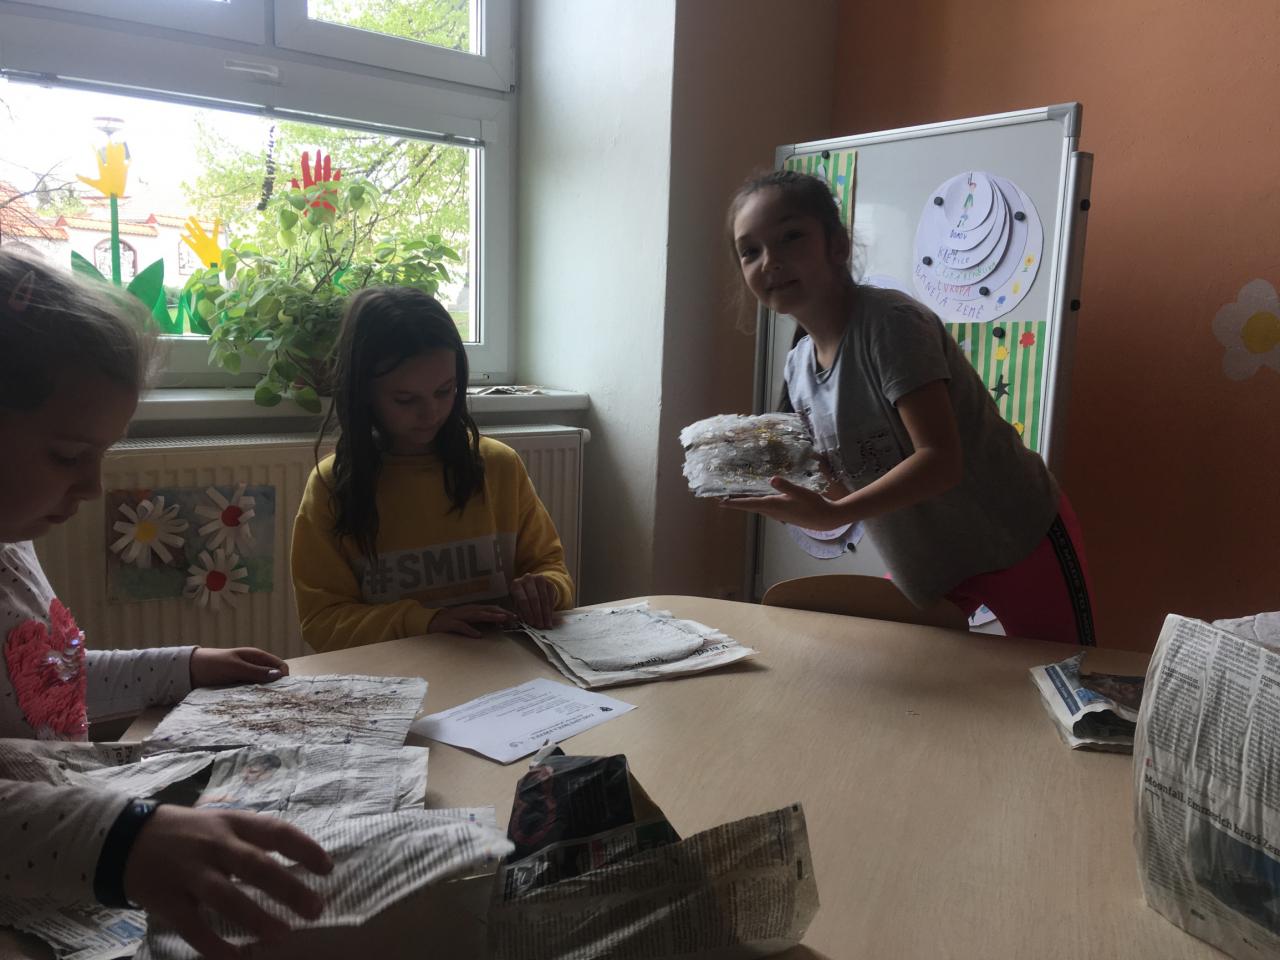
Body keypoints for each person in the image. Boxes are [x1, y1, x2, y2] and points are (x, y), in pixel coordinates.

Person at [0, 249, 332, 960]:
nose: (93, 488)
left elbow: (45, 683)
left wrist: (181, 665)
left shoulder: (12, 541)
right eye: (67, 455)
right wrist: (121, 841)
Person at [722, 170, 1096, 645]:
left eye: (790, 236)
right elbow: (846, 482)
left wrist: (833, 513)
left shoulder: (891, 325)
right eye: (750, 251)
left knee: (1064, 675)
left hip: (1016, 536)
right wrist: (795, 490)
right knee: (916, 676)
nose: (770, 261)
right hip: (929, 562)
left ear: (837, 246)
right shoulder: (799, 369)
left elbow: (940, 461)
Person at [291, 286, 573, 652]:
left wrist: (546, 589)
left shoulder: (499, 466)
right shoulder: (331, 486)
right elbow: (322, 623)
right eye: (405, 399)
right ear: (363, 394)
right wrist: (426, 622)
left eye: (445, 391)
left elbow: (552, 568)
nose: (431, 413)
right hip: (396, 676)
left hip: (500, 668)